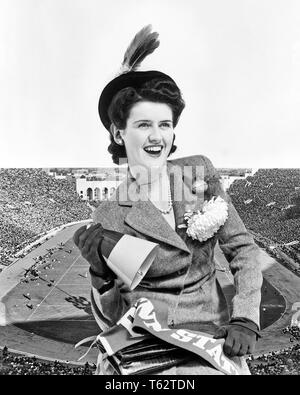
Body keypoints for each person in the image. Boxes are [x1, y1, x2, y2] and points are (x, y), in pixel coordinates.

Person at [73, 25, 263, 375]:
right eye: (144, 124)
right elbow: (113, 318)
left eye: (165, 124)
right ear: (119, 132)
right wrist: (99, 275)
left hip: (212, 338)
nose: (157, 136)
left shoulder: (198, 172)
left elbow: (244, 250)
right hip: (143, 347)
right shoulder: (110, 212)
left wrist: (246, 317)